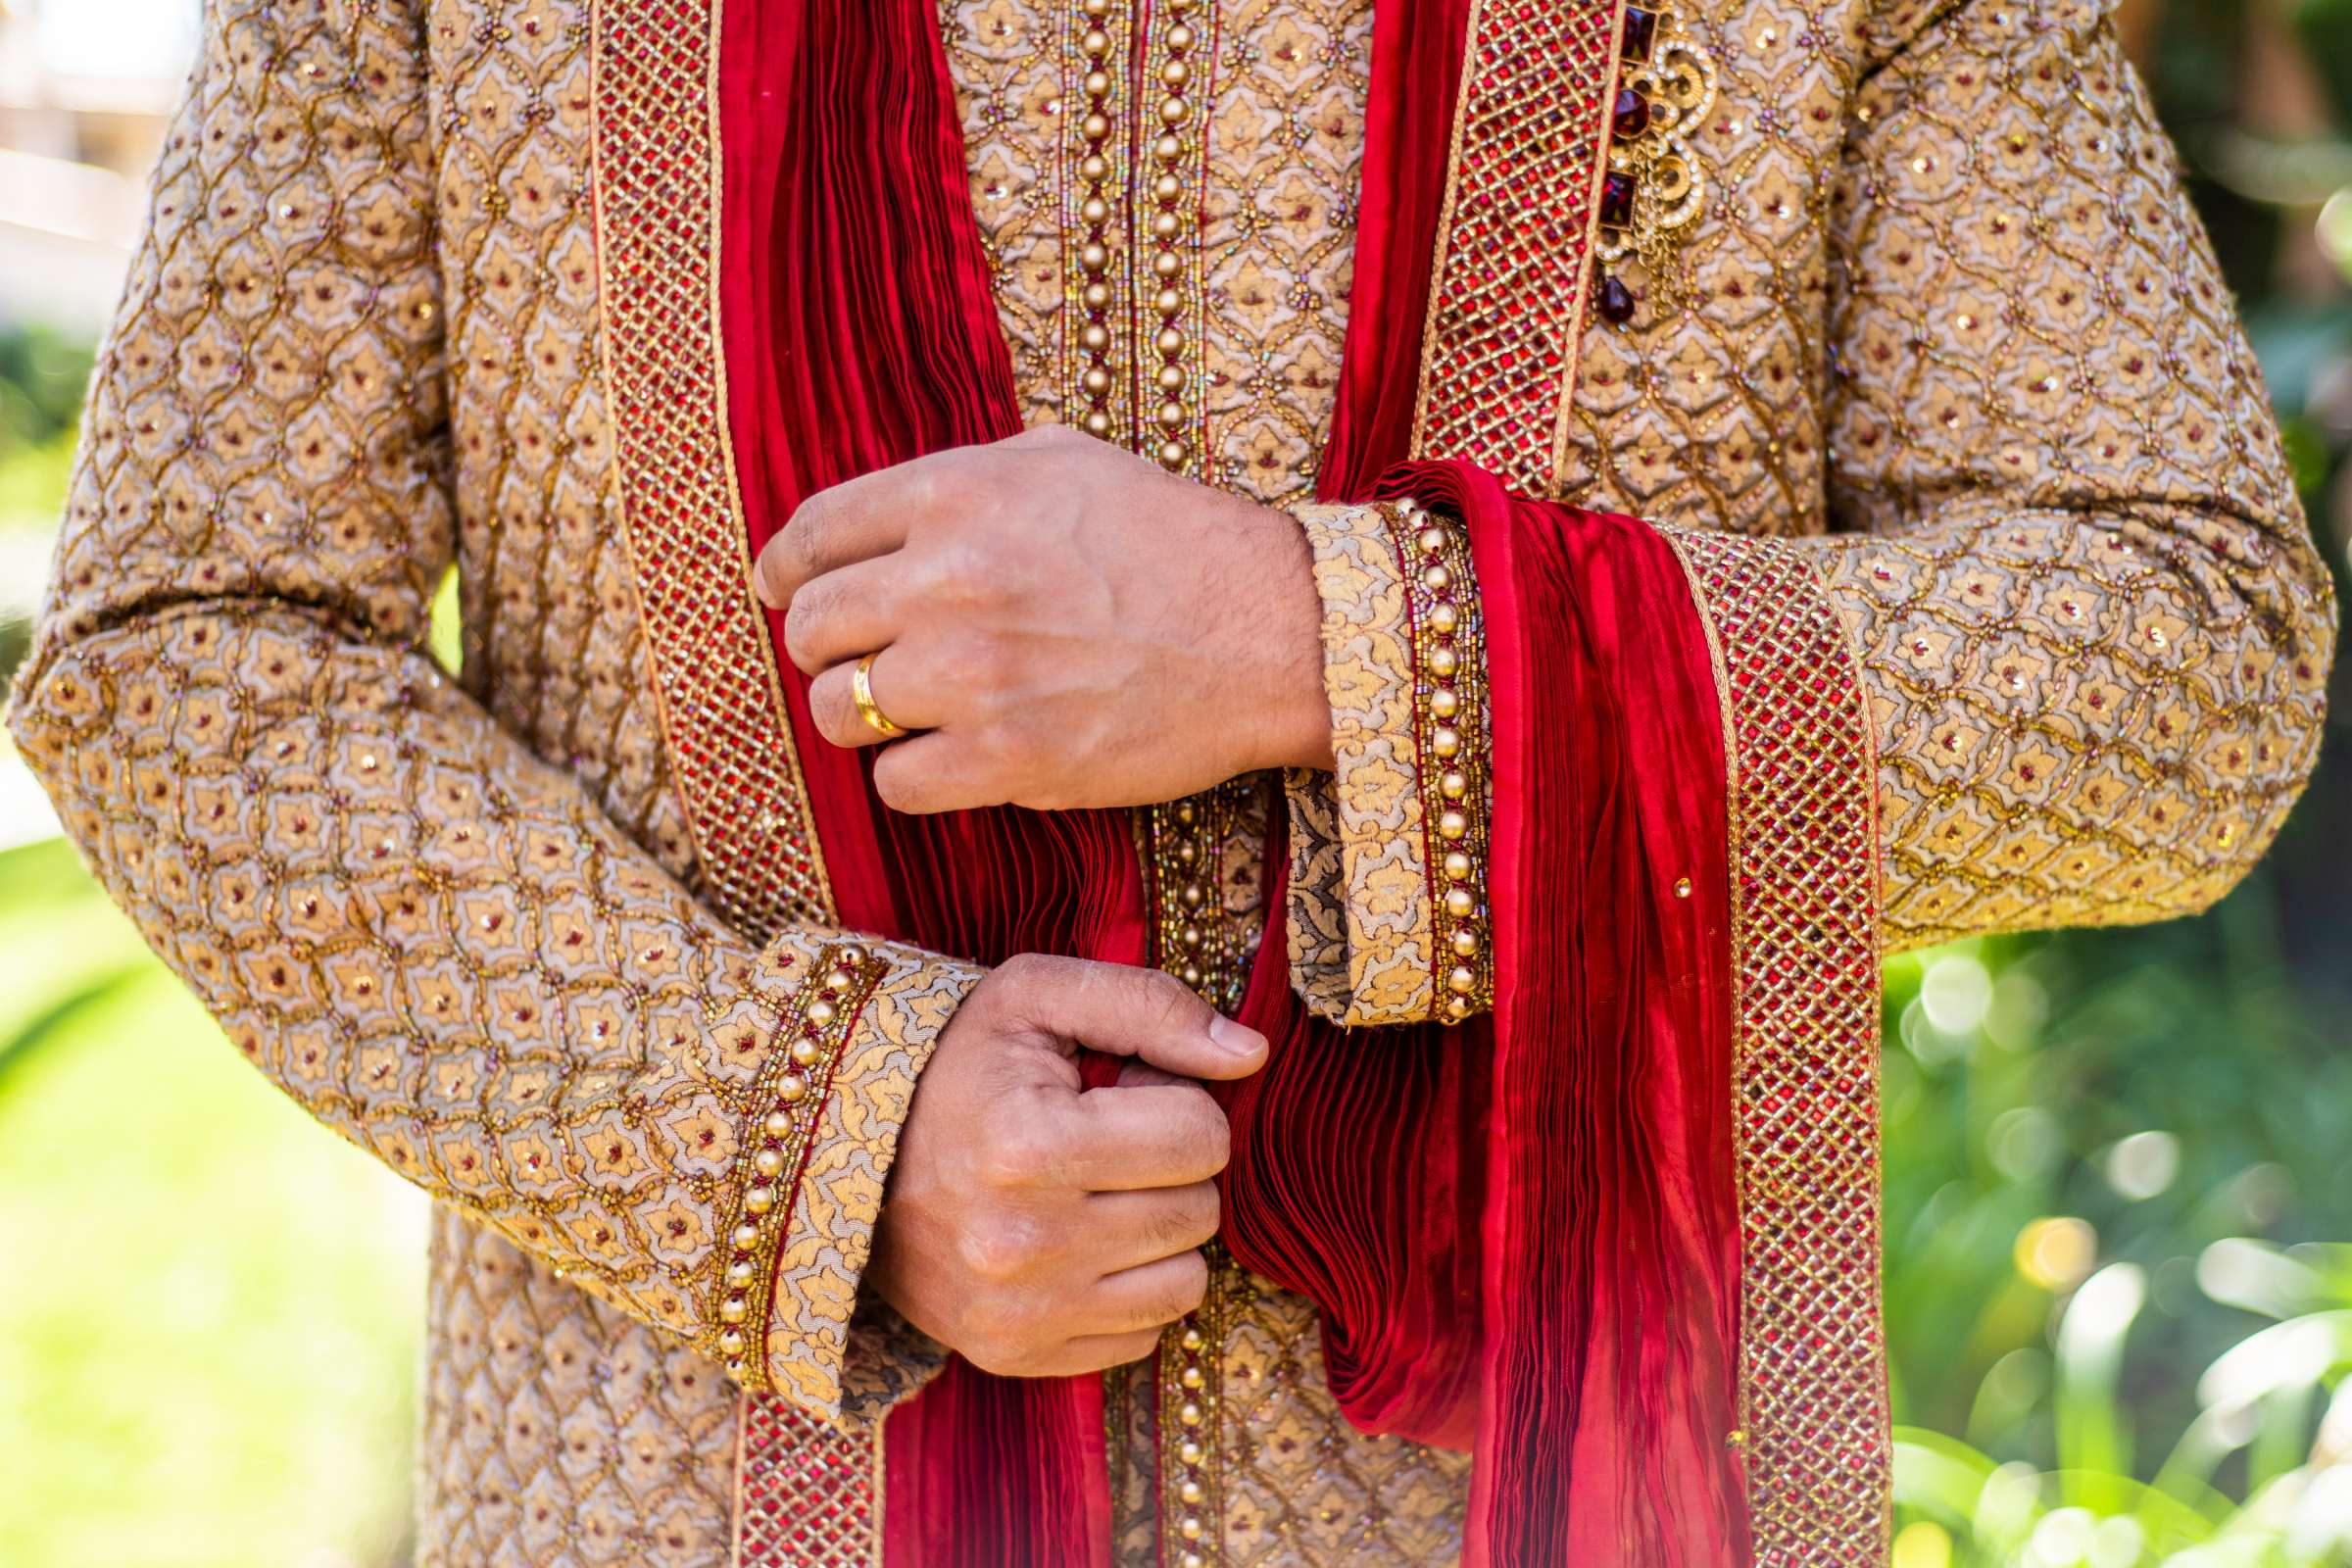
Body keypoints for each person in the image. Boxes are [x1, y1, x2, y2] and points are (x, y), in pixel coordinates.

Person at [9, 0, 2334, 1561]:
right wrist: (819, 1131)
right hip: (695, 1481)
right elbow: (185, 644)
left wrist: (1319, 639)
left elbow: (2187, 652)